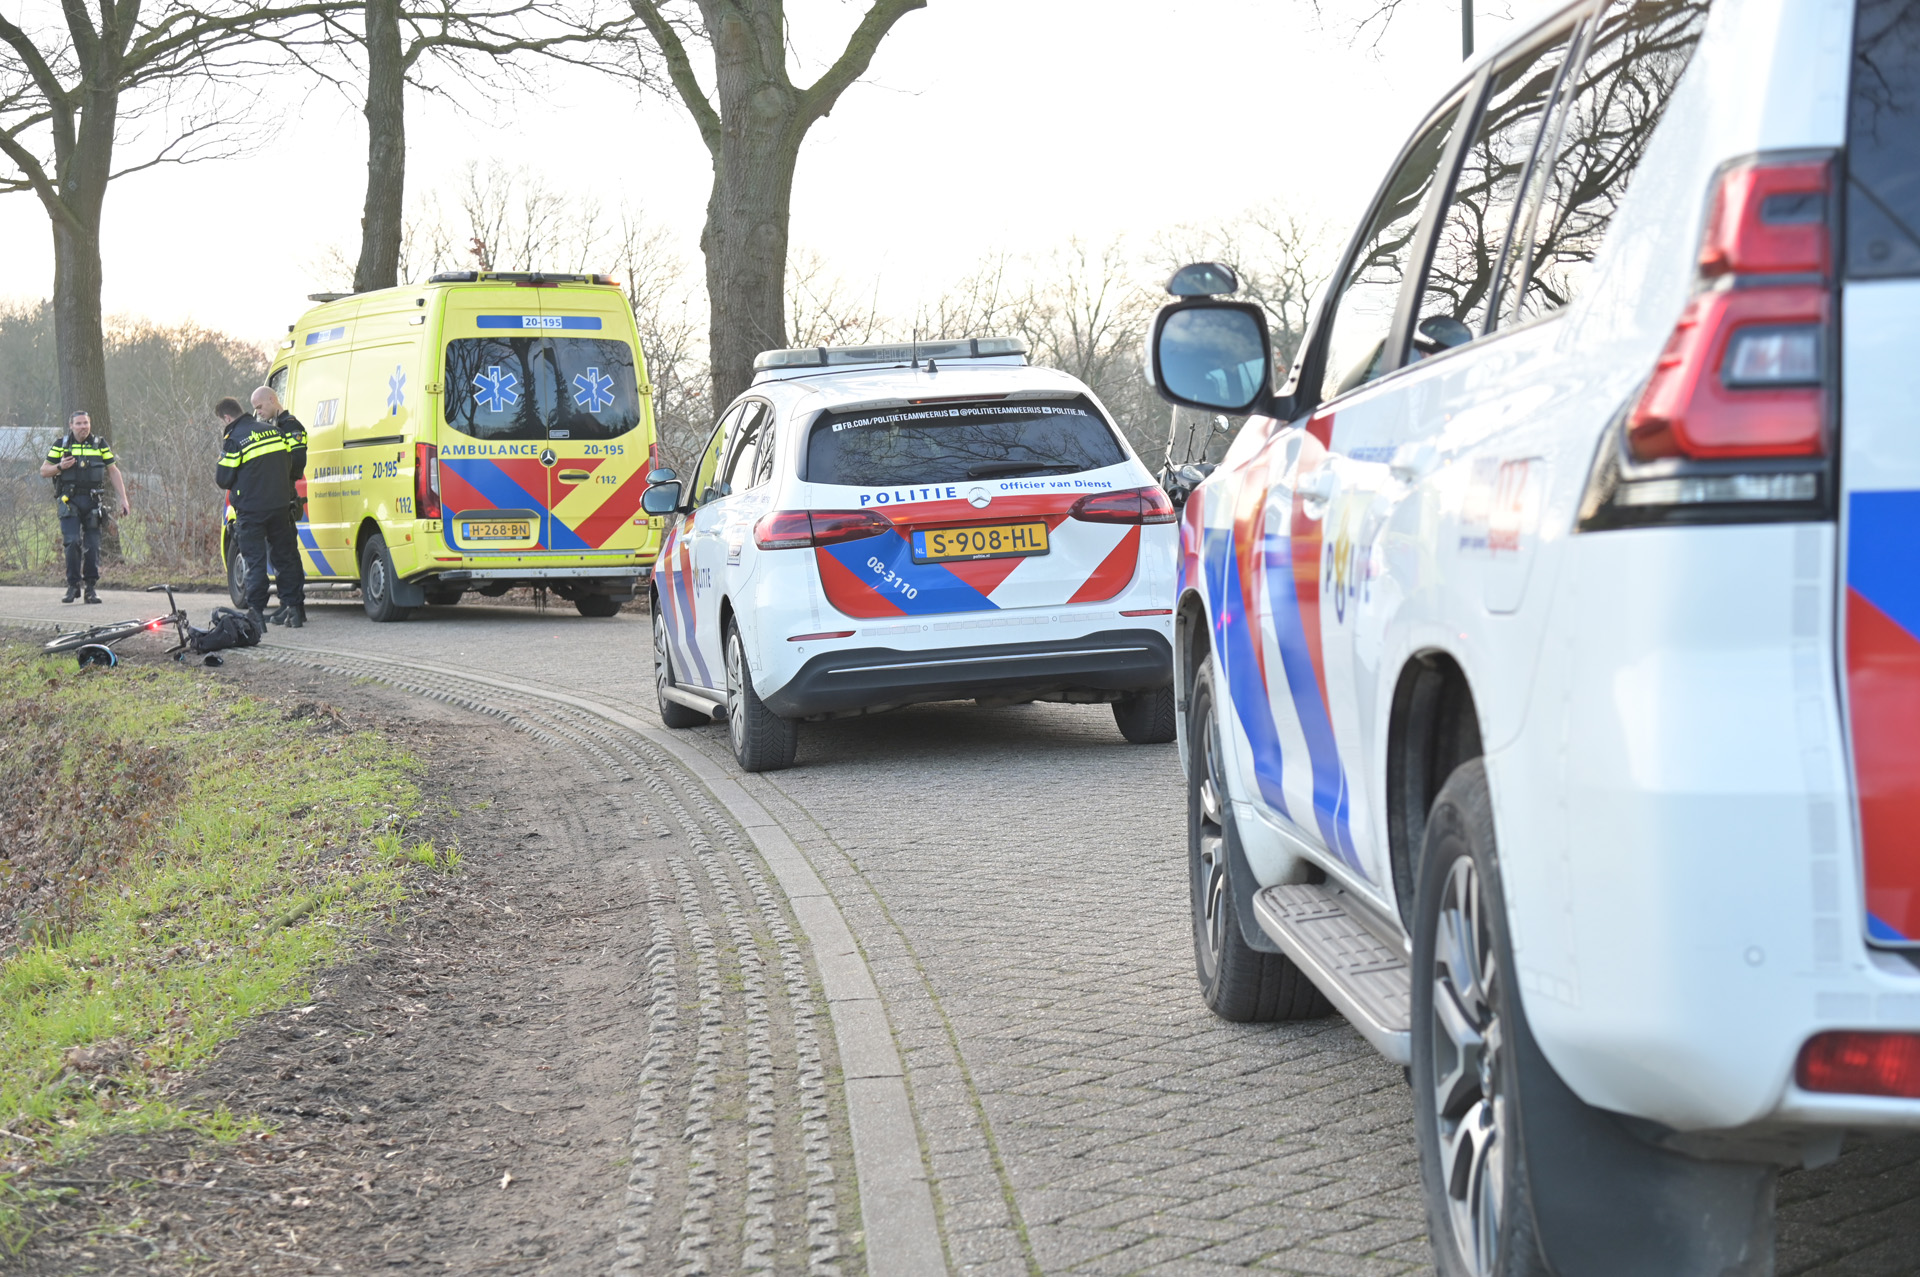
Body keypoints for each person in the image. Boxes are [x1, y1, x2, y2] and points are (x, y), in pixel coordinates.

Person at [214, 395, 305, 628]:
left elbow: (223, 478)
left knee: (255, 562)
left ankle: (256, 614)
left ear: (226, 417)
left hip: (251, 512)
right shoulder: (274, 432)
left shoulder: (235, 439)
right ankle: (293, 610)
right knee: (286, 559)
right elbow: (291, 464)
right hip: (281, 507)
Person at [40, 410, 130, 604]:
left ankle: (90, 588)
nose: (83, 427)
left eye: (86, 423)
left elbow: (113, 471)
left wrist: (123, 499)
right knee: (72, 542)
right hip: (69, 501)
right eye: (79, 424)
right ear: (71, 425)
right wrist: (60, 467)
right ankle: (73, 586)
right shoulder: (61, 445)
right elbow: (44, 471)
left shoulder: (100, 445)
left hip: (92, 502)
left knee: (93, 546)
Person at [250, 385, 309, 624]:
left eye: (260, 407)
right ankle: (287, 604)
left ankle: (295, 605)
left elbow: (297, 462)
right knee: (279, 555)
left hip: (285, 496)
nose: (258, 413)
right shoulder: (272, 429)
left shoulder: (291, 427)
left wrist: (276, 475)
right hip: (275, 497)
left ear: (273, 400)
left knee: (287, 556)